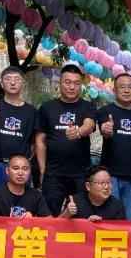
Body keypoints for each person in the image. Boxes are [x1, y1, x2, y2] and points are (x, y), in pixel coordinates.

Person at [35, 64, 98, 216]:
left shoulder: (88, 106)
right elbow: (40, 141)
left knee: (80, 216)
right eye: (67, 82)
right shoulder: (47, 108)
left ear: (81, 85)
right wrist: (43, 170)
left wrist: (78, 132)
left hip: (80, 174)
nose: (72, 87)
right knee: (49, 216)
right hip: (53, 174)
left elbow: (89, 125)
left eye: (76, 83)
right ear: (60, 83)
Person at [97, 72, 131, 219]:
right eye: (122, 86)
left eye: (130, 87)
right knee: (109, 220)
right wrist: (106, 130)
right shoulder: (105, 112)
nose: (126, 90)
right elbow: (105, 131)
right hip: (109, 177)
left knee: (129, 221)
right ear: (114, 90)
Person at [0, 66, 38, 188]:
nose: (12, 82)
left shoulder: (32, 111)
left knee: (21, 200)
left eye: (17, 79)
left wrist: (27, 161)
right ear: (1, 84)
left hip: (20, 167)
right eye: (8, 79)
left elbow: (36, 141)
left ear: (23, 83)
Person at [59, 164, 127, 221]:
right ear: (88, 186)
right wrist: (67, 213)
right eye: (101, 183)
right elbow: (57, 227)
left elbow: (122, 230)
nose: (106, 187)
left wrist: (99, 226)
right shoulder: (74, 202)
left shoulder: (118, 206)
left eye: (109, 182)